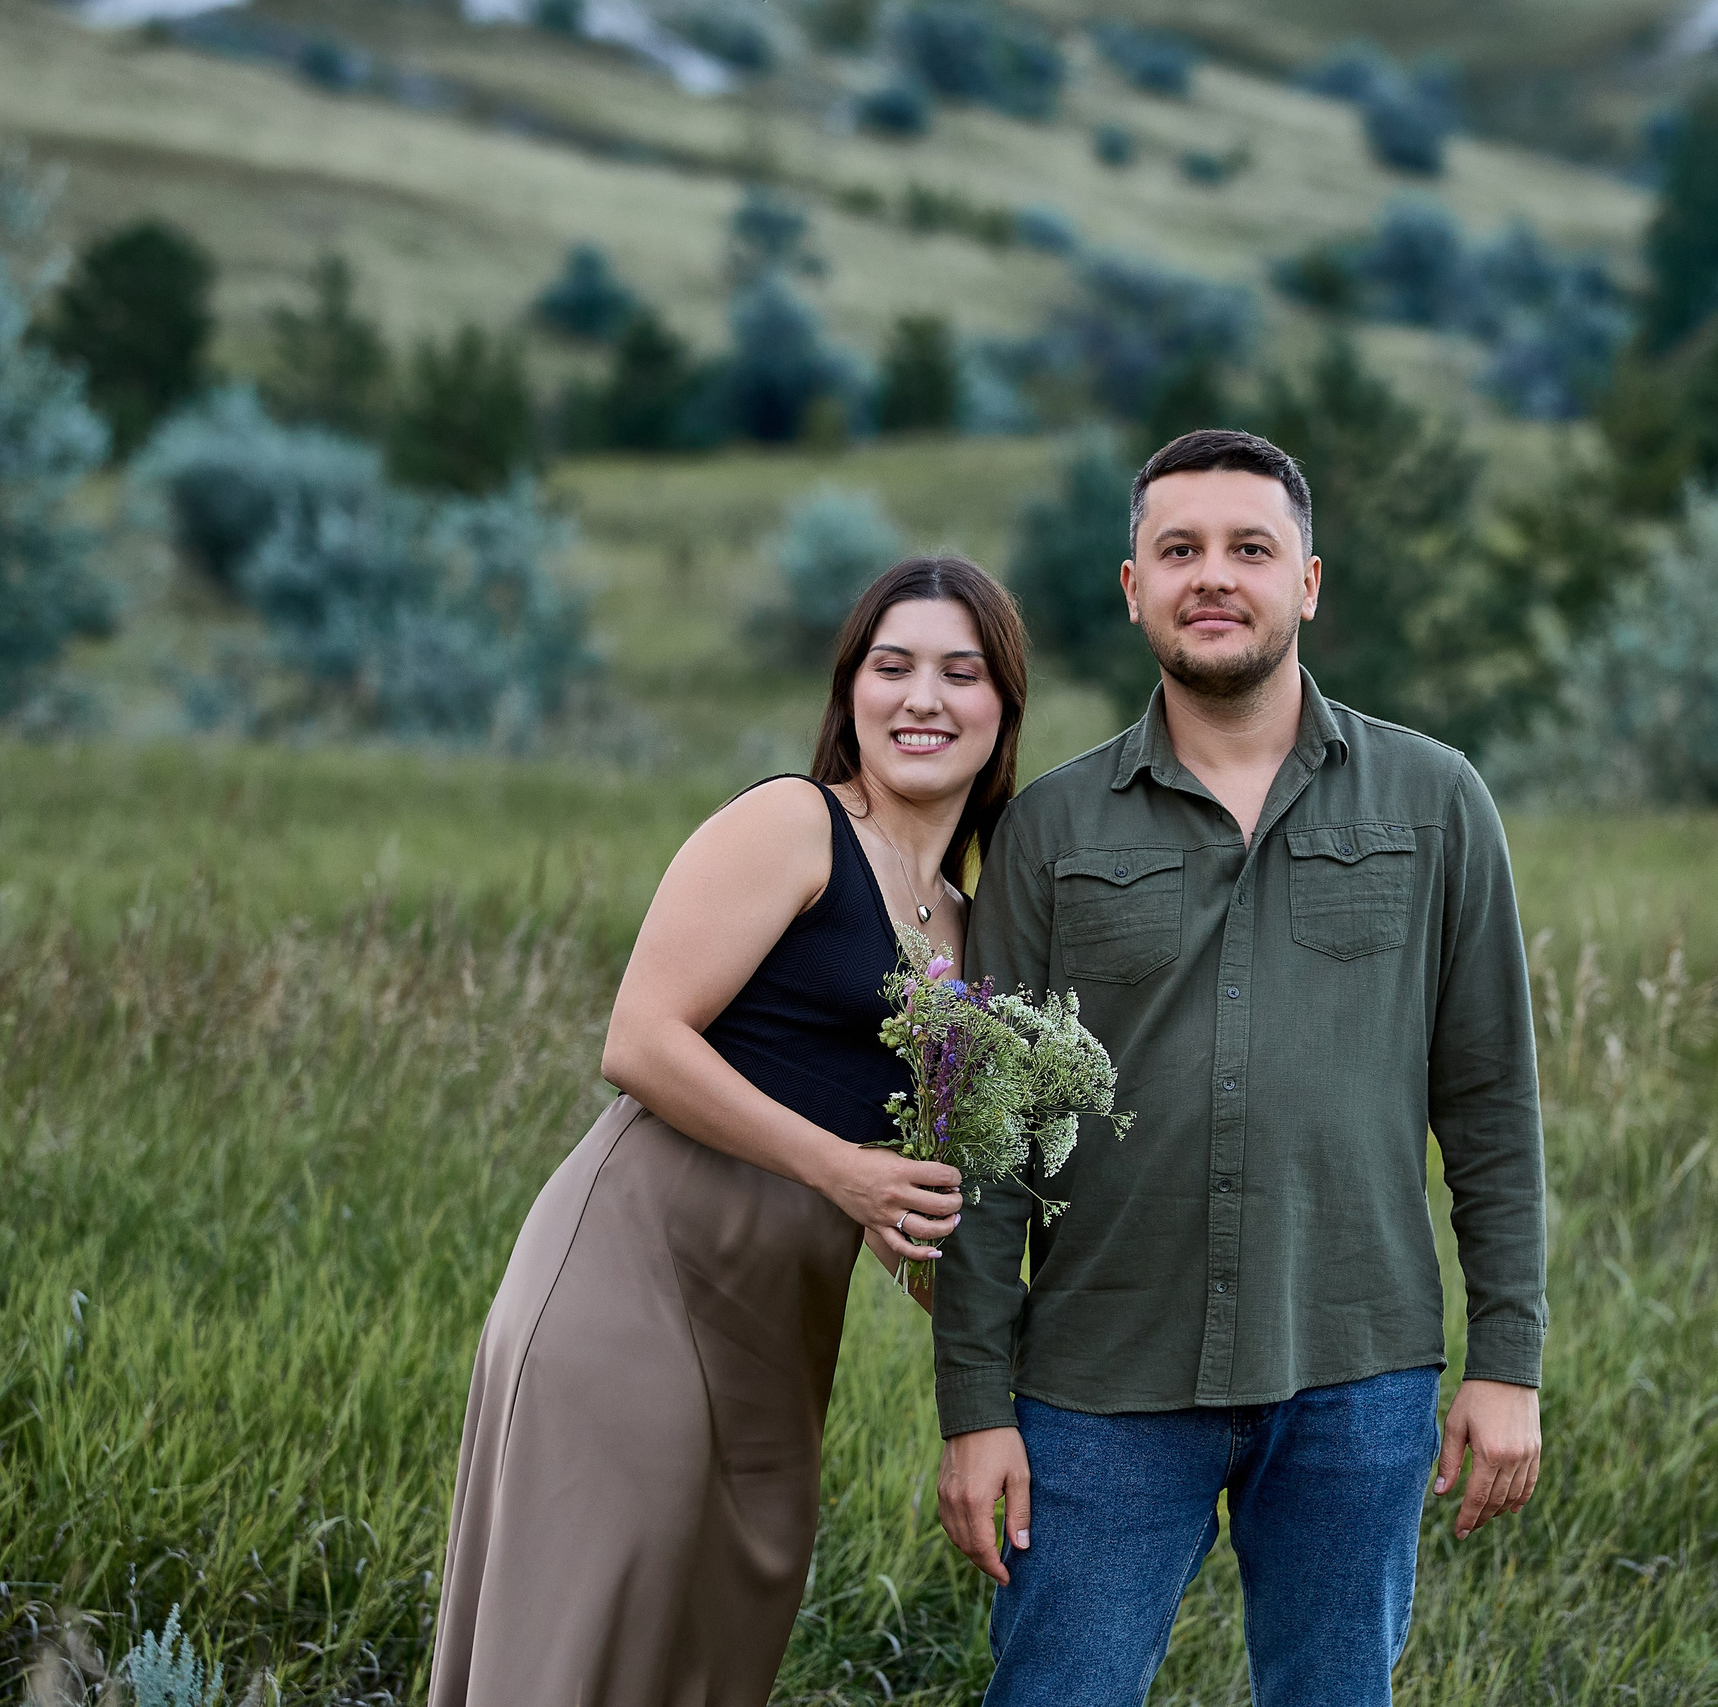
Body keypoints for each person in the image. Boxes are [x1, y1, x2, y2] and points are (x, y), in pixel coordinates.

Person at [932, 431, 1548, 1704]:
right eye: (1181, 551)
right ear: (1134, 587)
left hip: (1356, 1374)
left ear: (1307, 583)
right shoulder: (1049, 826)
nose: (1214, 577)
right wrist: (973, 1405)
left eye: (1248, 549)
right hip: (1099, 1385)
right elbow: (986, 1144)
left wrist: (1507, 1361)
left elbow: (1490, 1104)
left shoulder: (1436, 803)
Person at [432, 556, 1029, 1707]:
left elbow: (914, 1199)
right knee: (595, 1628)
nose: (921, 699)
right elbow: (641, 1040)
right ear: (847, 690)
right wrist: (841, 1172)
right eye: (890, 666)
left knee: (716, 1633)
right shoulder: (791, 826)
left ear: (1001, 710)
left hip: (776, 1323)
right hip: (634, 1278)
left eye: (960, 673)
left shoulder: (967, 927)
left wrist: (1025, 1349)